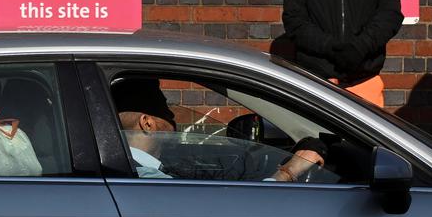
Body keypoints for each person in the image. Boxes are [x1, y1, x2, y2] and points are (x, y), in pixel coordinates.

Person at [110, 77, 325, 182]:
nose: (174, 120)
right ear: (148, 123)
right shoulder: (146, 178)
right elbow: (240, 215)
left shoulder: (129, 171)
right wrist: (290, 171)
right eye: (167, 113)